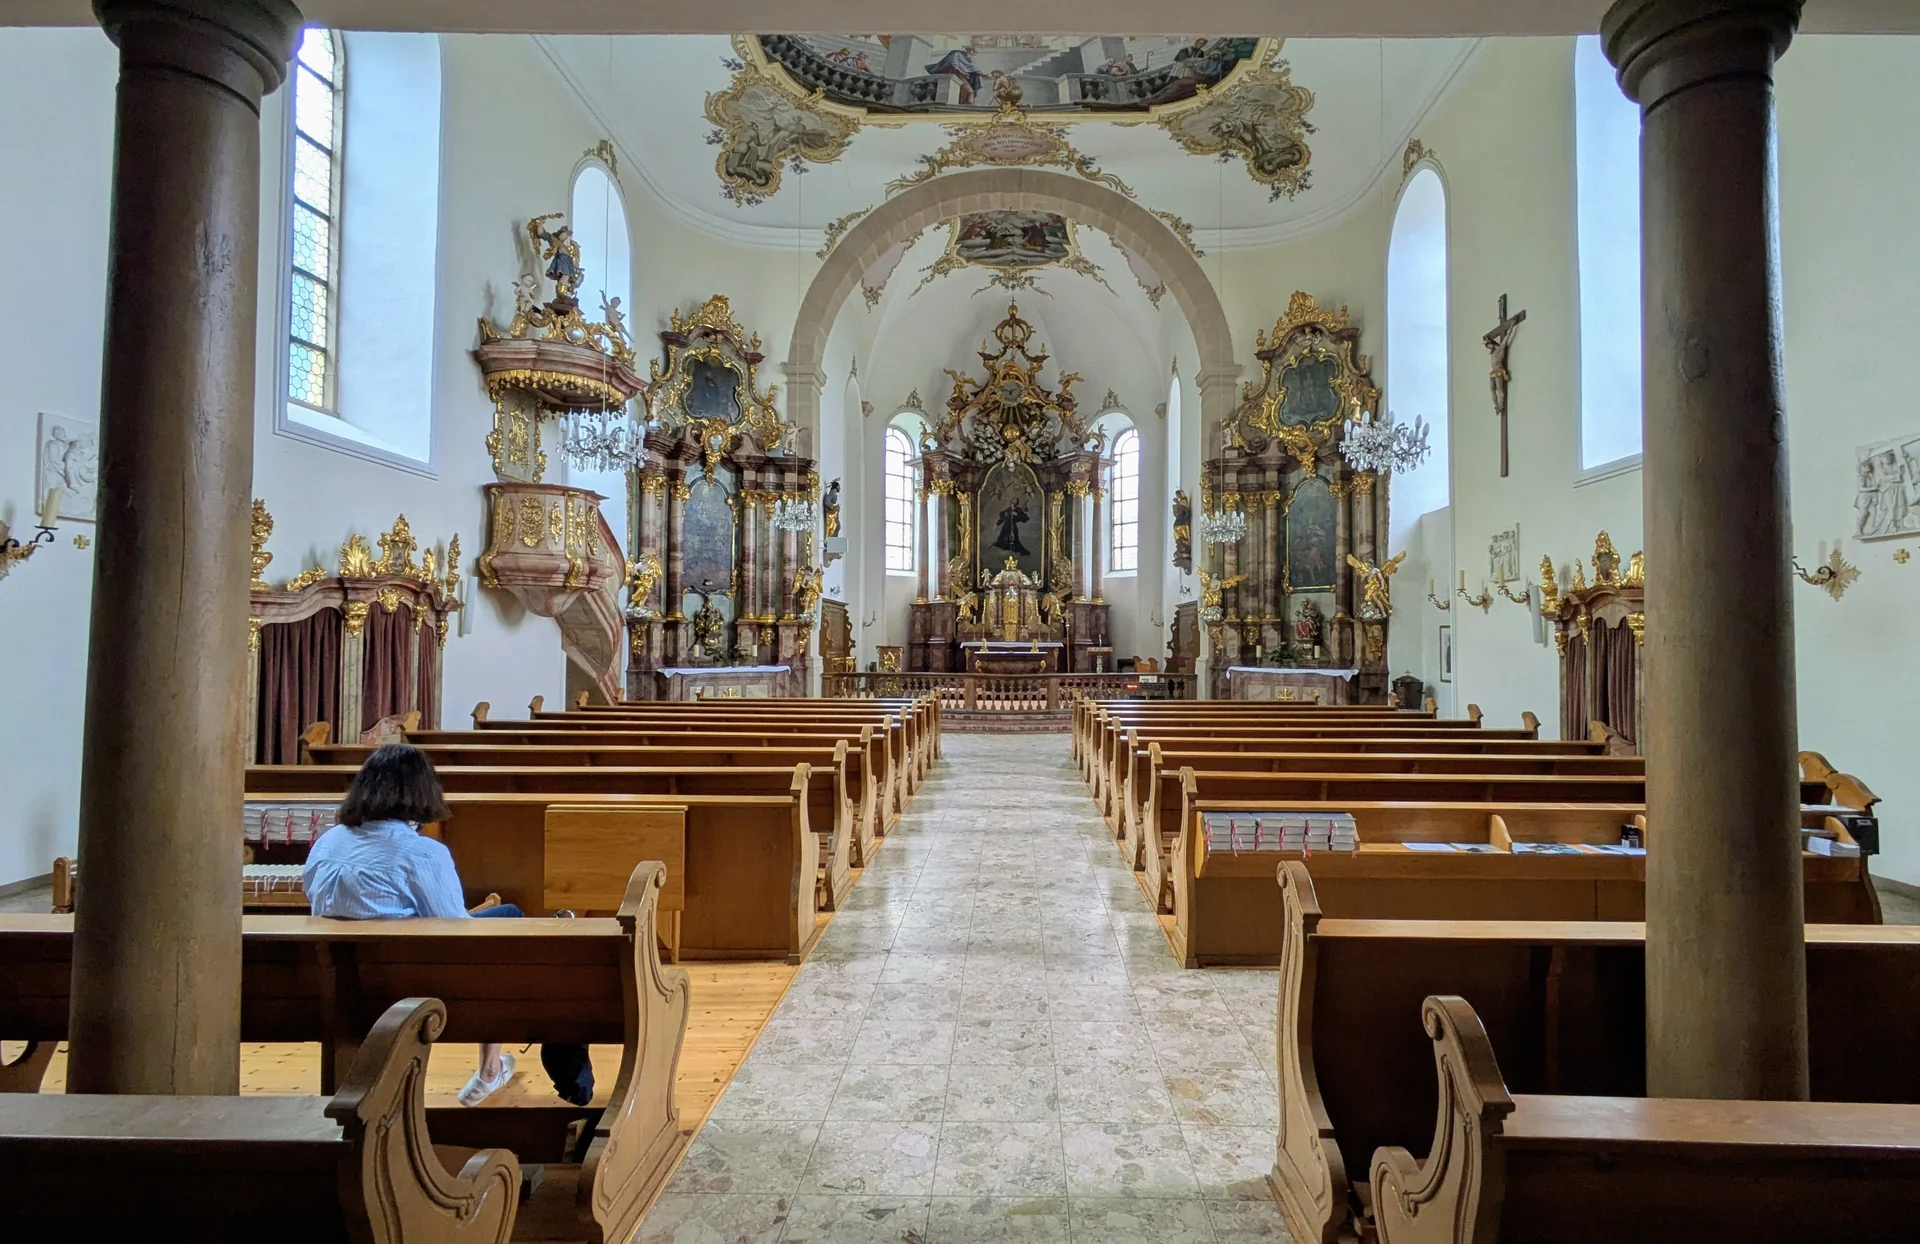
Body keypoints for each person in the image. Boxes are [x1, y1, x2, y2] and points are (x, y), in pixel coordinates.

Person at [303, 744, 594, 1108]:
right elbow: (459, 938)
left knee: (505, 920)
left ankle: (495, 1068)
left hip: (337, 984)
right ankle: (505, 1071)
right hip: (415, 986)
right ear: (422, 791)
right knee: (515, 924)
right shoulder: (420, 852)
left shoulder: (327, 843)